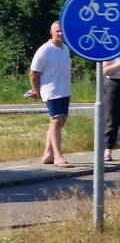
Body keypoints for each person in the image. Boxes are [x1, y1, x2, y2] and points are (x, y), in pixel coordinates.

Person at [27, 21, 73, 168]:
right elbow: (33, 73)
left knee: (61, 121)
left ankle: (47, 154)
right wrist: (37, 90)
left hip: (64, 90)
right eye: (57, 31)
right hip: (50, 90)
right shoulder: (45, 50)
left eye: (62, 31)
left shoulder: (65, 48)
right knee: (56, 121)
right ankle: (58, 156)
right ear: (51, 32)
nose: (60, 34)